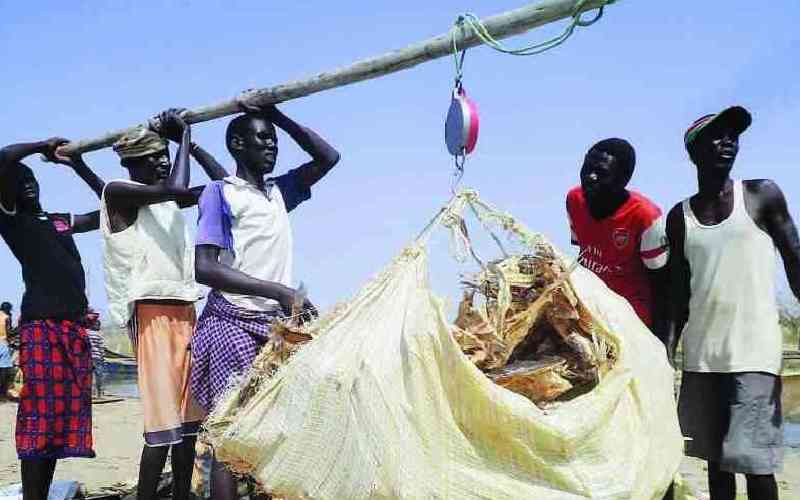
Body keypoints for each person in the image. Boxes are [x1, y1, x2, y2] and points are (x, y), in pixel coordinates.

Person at [190, 98, 339, 500]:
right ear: (237, 145)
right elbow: (204, 268)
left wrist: (276, 115)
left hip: (271, 325)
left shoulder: (279, 193)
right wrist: (278, 291)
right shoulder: (220, 194)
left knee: (270, 427)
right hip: (230, 324)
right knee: (230, 433)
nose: (271, 146)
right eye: (262, 139)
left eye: (273, 140)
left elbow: (328, 156)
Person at [664, 106, 799, 500]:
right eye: (716, 137)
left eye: (732, 136)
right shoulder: (680, 218)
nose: (727, 143)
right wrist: (664, 353)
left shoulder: (761, 195)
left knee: (755, 466)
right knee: (716, 466)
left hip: (754, 356)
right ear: (694, 152)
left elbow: (794, 258)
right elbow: (677, 297)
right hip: (702, 359)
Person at [95, 108, 226, 500]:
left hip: (185, 310)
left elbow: (221, 184)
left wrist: (193, 143)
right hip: (151, 312)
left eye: (163, 154)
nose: (162, 160)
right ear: (131, 162)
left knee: (187, 428)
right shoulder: (118, 191)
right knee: (161, 430)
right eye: (152, 156)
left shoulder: (167, 200)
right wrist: (181, 135)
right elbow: (172, 188)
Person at [0, 137, 105, 500]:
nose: (26, 183)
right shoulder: (12, 221)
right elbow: (2, 159)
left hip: (72, 328)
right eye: (17, 180)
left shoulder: (59, 221)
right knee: (39, 417)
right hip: (41, 328)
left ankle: (40, 495)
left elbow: (110, 209)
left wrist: (76, 165)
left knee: (59, 420)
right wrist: (41, 146)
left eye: (31, 178)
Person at [566, 138, 669, 333]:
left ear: (623, 180)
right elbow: (584, 252)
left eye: (601, 173)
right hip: (590, 312)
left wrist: (661, 345)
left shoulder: (646, 216)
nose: (591, 177)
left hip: (631, 321)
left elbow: (662, 284)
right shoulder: (574, 200)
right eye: (587, 168)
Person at [83, 308, 105, 398]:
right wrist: (102, 358)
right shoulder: (99, 335)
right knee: (99, 375)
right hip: (97, 358)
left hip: (87, 357)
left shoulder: (85, 333)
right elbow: (101, 348)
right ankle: (99, 393)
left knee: (88, 376)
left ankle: (89, 393)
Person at [0, 301, 14, 400]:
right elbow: (9, 333)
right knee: (4, 370)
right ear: (8, 310)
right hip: (3, 344)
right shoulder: (7, 318)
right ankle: (2, 394)